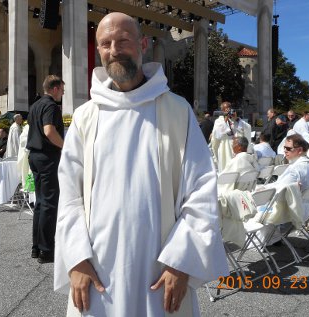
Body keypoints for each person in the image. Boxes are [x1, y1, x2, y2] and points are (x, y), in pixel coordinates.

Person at [54, 12, 228, 317]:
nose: (114, 50)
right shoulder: (85, 117)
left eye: (123, 40)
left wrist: (182, 261)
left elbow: (201, 189)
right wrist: (76, 259)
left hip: (160, 269)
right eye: (105, 43)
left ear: (143, 43)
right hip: (97, 270)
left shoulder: (176, 110)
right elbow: (69, 196)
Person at [26, 75, 65, 264]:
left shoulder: (35, 106)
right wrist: (65, 147)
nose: (63, 94)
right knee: (49, 203)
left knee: (40, 203)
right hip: (47, 157)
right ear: (55, 88)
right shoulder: (50, 106)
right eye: (62, 90)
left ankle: (36, 246)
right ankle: (47, 250)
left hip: (34, 156)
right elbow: (49, 131)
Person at [211, 101, 252, 172]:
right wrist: (225, 119)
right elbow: (216, 135)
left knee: (237, 168)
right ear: (222, 110)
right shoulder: (219, 121)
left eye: (229, 108)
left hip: (238, 148)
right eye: (225, 108)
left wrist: (237, 119)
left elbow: (247, 127)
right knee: (226, 168)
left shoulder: (237, 120)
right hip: (225, 148)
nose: (228, 110)